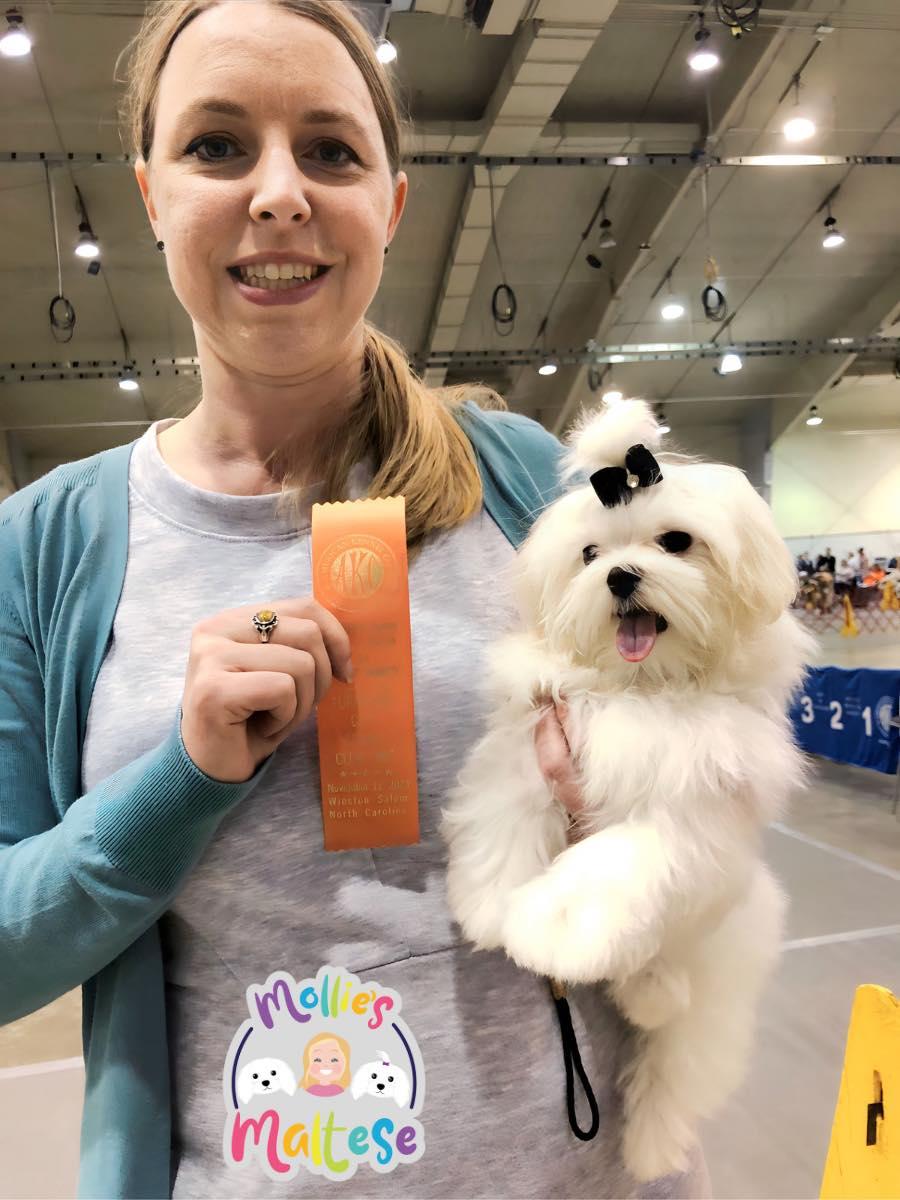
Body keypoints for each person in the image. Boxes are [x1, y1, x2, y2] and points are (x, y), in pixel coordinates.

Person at [0, 3, 710, 1199]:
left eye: (330, 150)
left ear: (390, 204)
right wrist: (178, 782)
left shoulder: (531, 482)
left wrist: (639, 800)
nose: (280, 193)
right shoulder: (44, 548)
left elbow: (719, 758)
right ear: (152, 195)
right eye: (218, 146)